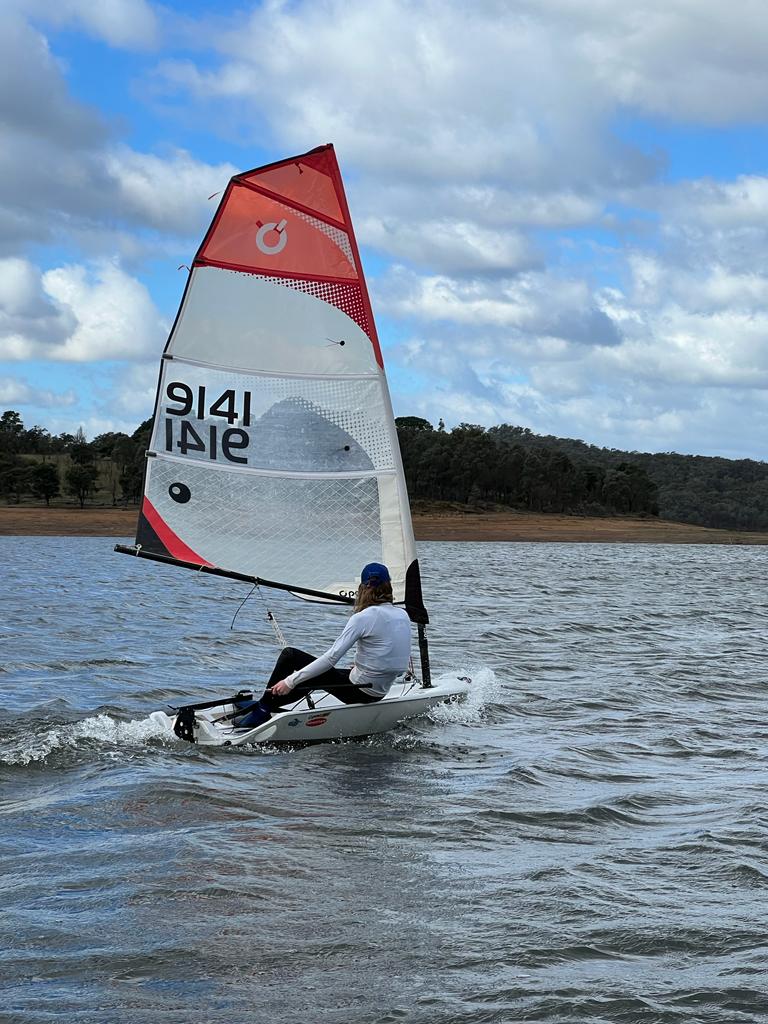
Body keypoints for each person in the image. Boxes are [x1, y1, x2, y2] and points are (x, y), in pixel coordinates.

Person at [240, 563, 412, 725]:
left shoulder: (364, 617)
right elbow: (397, 666)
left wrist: (289, 682)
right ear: (389, 585)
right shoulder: (402, 615)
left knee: (290, 655)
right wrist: (367, 667)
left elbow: (331, 658)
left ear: (364, 588)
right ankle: (268, 704)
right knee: (312, 675)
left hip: (360, 692)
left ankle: (262, 709)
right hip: (380, 691)